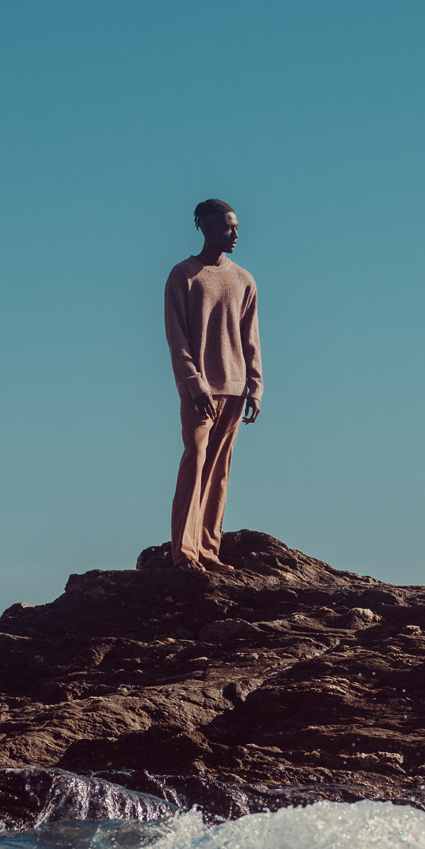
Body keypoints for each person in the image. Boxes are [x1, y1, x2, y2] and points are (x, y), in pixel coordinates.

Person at [163, 198, 263, 572]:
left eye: (236, 227)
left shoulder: (244, 279)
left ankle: (208, 551)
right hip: (200, 389)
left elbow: (251, 338)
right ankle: (184, 554)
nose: (235, 233)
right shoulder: (183, 275)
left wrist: (255, 386)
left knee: (220, 469)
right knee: (195, 461)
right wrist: (194, 383)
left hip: (236, 389)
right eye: (227, 227)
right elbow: (177, 338)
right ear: (204, 228)